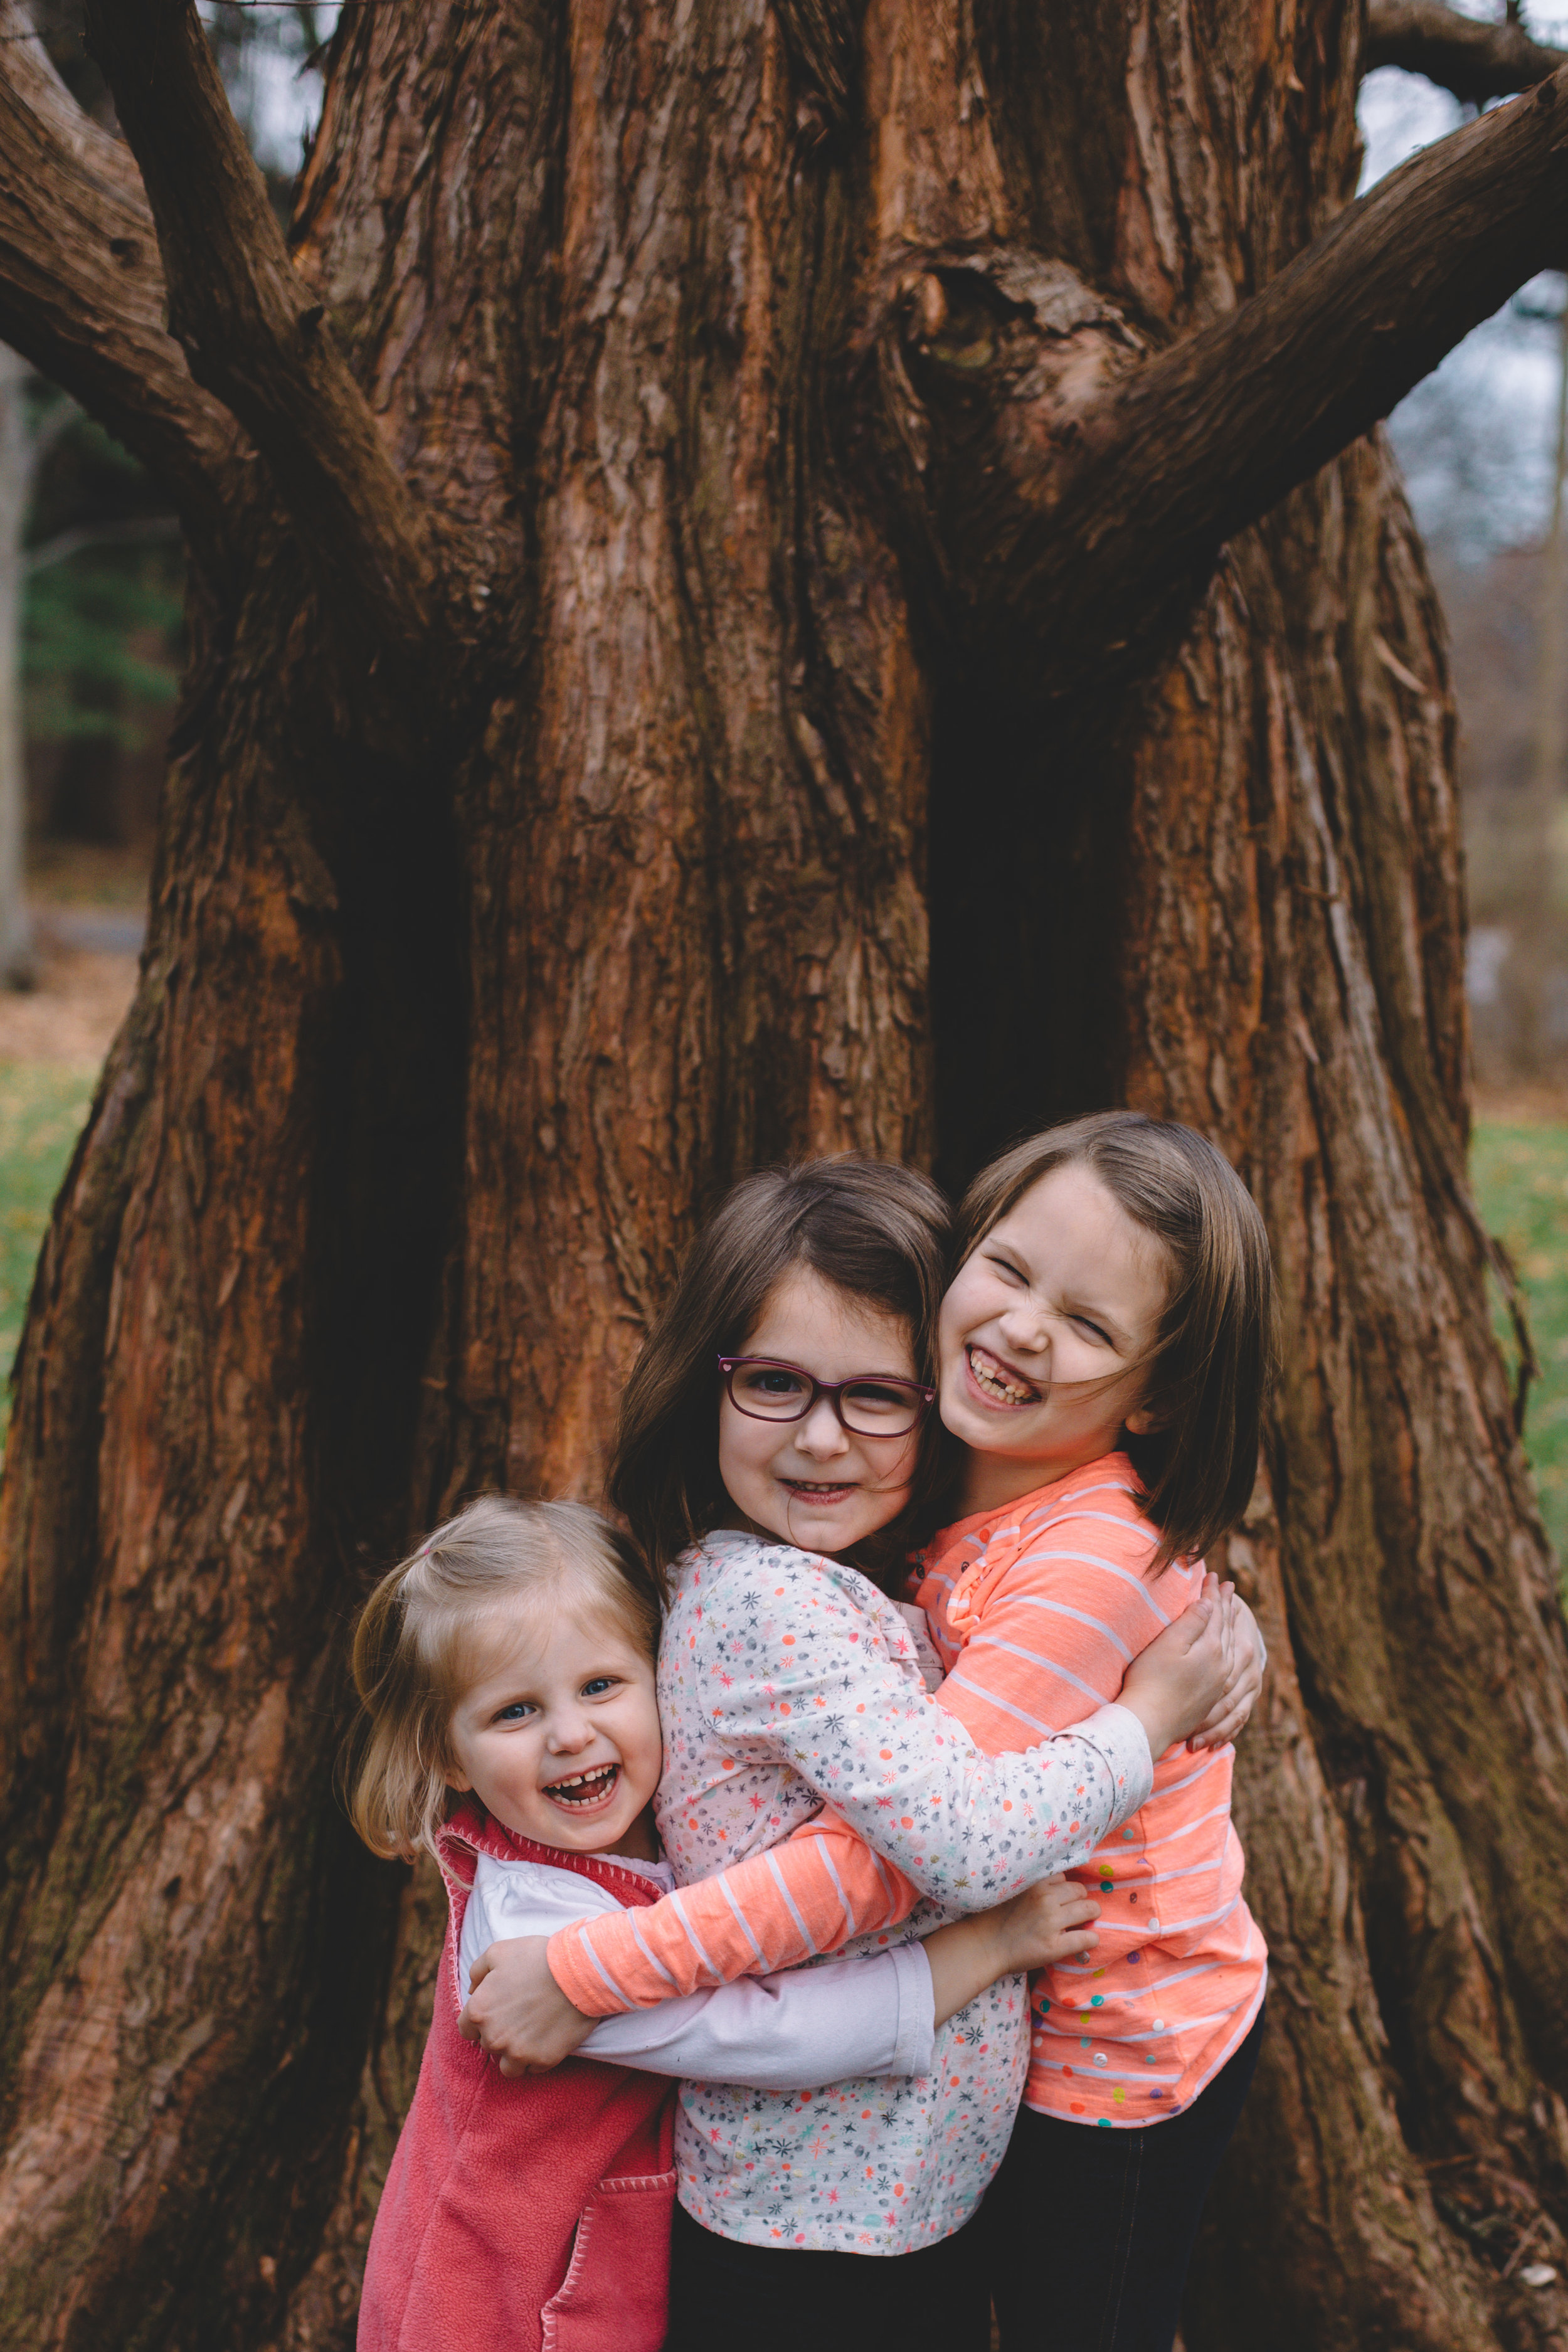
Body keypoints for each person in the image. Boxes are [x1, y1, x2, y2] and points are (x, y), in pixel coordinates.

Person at [458, 1158, 1247, 2351]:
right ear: (707, 1383)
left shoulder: (878, 1566)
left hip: (905, 2186)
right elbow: (952, 1846)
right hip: (826, 2218)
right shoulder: (781, 1607)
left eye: (878, 1395)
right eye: (775, 1382)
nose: (825, 1439)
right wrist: (1151, 1713)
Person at [348, 1491, 1137, 2352]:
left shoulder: (650, 1827)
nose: (571, 1734)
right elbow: (770, 2032)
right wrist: (987, 1946)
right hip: (505, 2304)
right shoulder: (534, 1932)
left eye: (601, 1684)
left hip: (589, 2269)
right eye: (515, 1711)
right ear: (444, 1752)